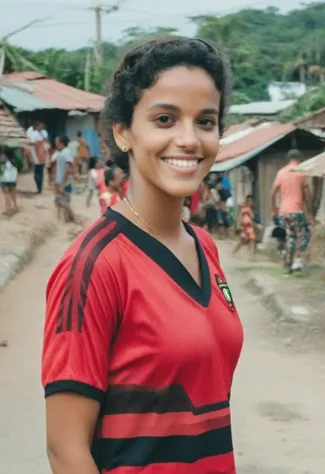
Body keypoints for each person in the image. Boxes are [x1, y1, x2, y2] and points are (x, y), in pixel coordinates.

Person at [41, 36, 243, 474]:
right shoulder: (93, 267)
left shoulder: (204, 247)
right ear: (123, 132)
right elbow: (65, 449)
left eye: (205, 121)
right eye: (165, 119)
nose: (188, 140)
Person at [270, 149, 313, 274]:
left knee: (290, 237)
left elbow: (272, 193)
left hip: (283, 212)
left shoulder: (281, 172)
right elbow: (306, 194)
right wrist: (309, 211)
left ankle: (288, 263)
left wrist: (273, 210)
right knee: (304, 234)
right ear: (299, 158)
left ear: (288, 159)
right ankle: (297, 259)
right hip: (296, 211)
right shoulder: (301, 171)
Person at [54, 135, 75, 223]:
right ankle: (67, 219)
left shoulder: (65, 153)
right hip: (61, 180)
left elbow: (68, 169)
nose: (55, 142)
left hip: (63, 181)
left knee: (61, 201)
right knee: (62, 201)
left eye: (57, 141)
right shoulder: (63, 152)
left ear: (61, 142)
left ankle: (73, 217)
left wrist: (62, 183)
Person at [26, 121, 48, 193]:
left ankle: (39, 189)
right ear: (37, 126)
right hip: (35, 153)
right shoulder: (31, 131)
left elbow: (45, 141)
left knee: (40, 172)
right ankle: (39, 187)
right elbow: (29, 141)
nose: (41, 127)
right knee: (36, 174)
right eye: (40, 126)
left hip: (42, 154)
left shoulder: (43, 132)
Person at [233, 194, 256, 259]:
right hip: (245, 227)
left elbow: (251, 218)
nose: (251, 202)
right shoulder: (244, 208)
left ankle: (251, 255)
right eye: (249, 201)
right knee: (242, 242)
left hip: (249, 227)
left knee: (252, 239)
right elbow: (241, 217)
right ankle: (234, 253)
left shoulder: (250, 208)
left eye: (252, 201)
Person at [0, 148, 19, 216]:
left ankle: (8, 211)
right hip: (12, 179)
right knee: (13, 193)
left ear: (6, 155)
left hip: (4, 179)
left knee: (6, 195)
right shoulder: (14, 161)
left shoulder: (3, 161)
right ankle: (15, 206)